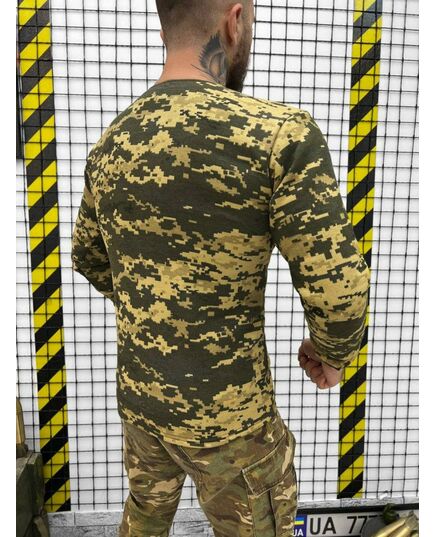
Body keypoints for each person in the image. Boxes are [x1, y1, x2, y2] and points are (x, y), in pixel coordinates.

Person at [71, 0, 371, 535]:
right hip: (233, 425)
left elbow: (90, 258)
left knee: (143, 520)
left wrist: (156, 300)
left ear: (165, 29)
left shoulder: (111, 145)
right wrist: (331, 352)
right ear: (234, 21)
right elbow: (339, 288)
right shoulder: (278, 135)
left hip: (143, 408)